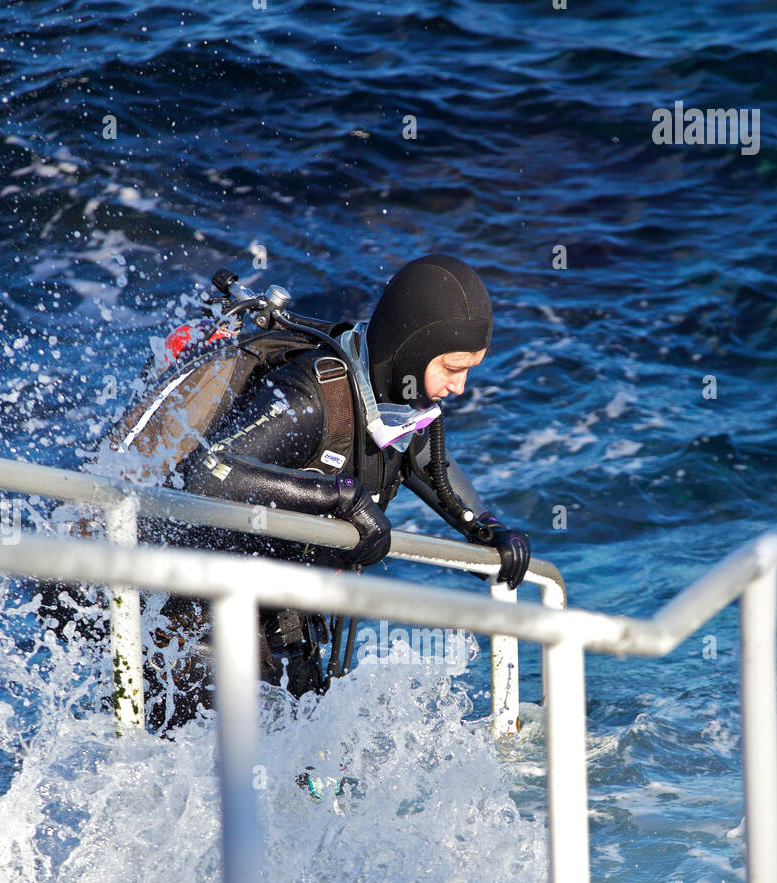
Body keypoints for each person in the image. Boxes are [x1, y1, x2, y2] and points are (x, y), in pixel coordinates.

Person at [102, 253, 531, 727]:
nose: (461, 386)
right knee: (249, 779)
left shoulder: (392, 409)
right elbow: (211, 474)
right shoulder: (310, 398)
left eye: (470, 369)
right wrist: (340, 498)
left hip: (278, 627)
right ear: (411, 350)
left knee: (316, 781)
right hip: (191, 623)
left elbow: (430, 462)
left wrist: (486, 528)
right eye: (452, 367)